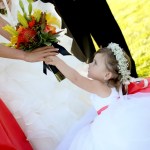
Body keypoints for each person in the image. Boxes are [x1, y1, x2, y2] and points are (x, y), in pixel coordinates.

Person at [0, 0, 91, 149]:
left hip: (22, 27)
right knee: (37, 110)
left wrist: (33, 37)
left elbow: (11, 31)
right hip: (11, 65)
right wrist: (24, 54)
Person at [45, 42, 150, 150]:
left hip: (110, 126)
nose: (90, 64)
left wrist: (57, 61)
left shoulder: (100, 86)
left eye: (95, 63)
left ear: (107, 75)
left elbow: (76, 78)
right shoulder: (117, 85)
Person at [42, 0, 138, 78]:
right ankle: (104, 91)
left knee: (112, 40)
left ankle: (130, 80)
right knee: (85, 57)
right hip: (59, 6)